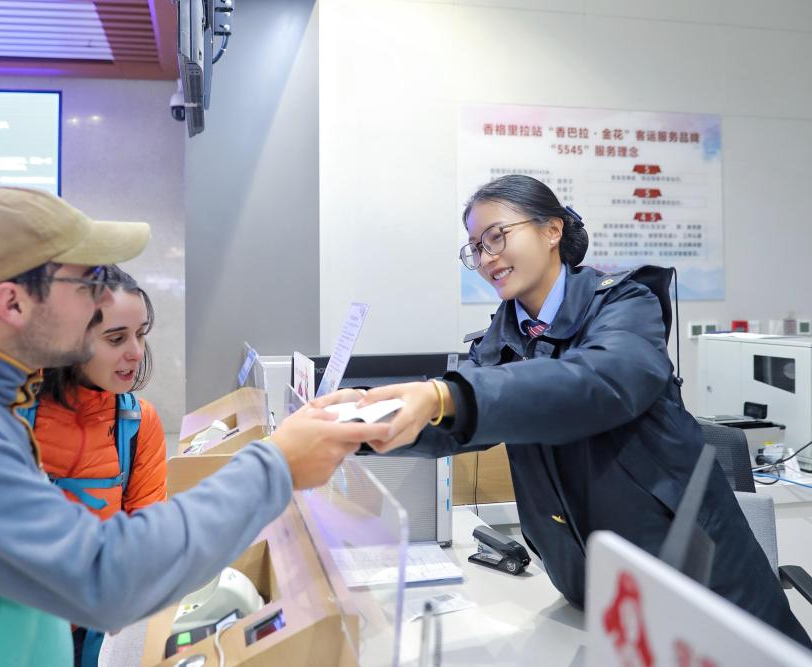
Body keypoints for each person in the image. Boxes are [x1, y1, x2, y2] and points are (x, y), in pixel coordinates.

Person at [0, 187, 392, 665]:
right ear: (12, 303)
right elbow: (105, 577)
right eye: (87, 283)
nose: (99, 306)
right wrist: (277, 465)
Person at [313, 174, 812, 647]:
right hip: (586, 579)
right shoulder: (502, 335)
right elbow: (455, 426)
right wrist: (356, 424)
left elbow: (599, 383)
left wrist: (448, 395)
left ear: (552, 230)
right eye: (476, 248)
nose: (486, 259)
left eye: (496, 237)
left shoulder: (624, 305)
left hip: (687, 566)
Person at [19, 265, 167, 665]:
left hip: (94, 628)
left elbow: (146, 530)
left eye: (140, 334)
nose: (135, 352)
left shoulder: (137, 422)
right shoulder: (13, 415)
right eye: (116, 338)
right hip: (15, 625)